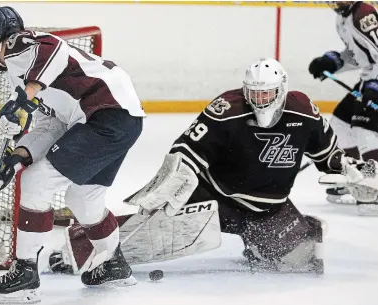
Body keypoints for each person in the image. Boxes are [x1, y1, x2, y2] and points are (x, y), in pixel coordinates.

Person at [51, 58, 377, 278]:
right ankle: (79, 250)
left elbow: (328, 154)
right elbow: (187, 149)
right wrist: (177, 176)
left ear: (282, 90)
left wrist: (350, 169)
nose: (261, 100)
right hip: (216, 198)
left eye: (268, 94)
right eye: (255, 93)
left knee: (301, 261)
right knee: (157, 230)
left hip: (267, 208)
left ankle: (288, 232)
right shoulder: (228, 108)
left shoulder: (303, 111)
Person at [0, 6, 145, 304]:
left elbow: (54, 47)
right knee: (82, 197)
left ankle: (25, 275)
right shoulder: (18, 74)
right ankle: (114, 264)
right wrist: (13, 161)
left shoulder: (22, 46)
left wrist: (24, 96)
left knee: (37, 182)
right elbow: (48, 126)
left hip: (106, 115)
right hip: (119, 120)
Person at [308, 1, 378, 214]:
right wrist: (335, 62)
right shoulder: (343, 18)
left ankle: (373, 187)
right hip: (369, 80)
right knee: (339, 124)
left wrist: (375, 88)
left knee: (363, 129)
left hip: (375, 82)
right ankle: (356, 178)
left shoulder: (364, 15)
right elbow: (362, 56)